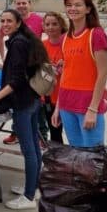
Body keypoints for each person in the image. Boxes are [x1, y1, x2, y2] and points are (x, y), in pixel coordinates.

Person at [0, 8, 49, 210]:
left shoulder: (18, 43)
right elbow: (20, 71)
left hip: (23, 103)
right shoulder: (22, 39)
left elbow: (16, 80)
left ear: (18, 23)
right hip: (33, 99)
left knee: (29, 149)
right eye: (2, 21)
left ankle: (28, 197)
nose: (5, 24)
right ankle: (33, 187)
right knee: (34, 147)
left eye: (9, 21)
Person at [51, 0, 107, 147]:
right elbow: (65, 74)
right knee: (76, 153)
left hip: (88, 105)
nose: (73, 8)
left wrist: (93, 109)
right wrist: (58, 107)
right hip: (67, 105)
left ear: (88, 9)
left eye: (78, 5)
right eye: (69, 5)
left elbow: (103, 74)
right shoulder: (65, 38)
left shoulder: (96, 35)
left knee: (93, 155)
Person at [0, 0, 44, 144]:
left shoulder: (36, 22)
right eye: (18, 3)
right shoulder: (11, 24)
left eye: (24, 3)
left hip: (31, 73)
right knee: (26, 107)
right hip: (22, 73)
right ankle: (18, 132)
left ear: (30, 4)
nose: (21, 6)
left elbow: (53, 33)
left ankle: (41, 135)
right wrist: (3, 57)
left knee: (31, 108)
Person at [42, 11, 67, 143]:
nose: (50, 27)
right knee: (55, 133)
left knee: (73, 133)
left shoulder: (68, 44)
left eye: (54, 24)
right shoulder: (42, 45)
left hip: (65, 96)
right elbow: (36, 70)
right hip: (48, 97)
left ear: (61, 25)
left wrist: (65, 66)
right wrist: (48, 71)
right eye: (47, 24)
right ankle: (57, 155)